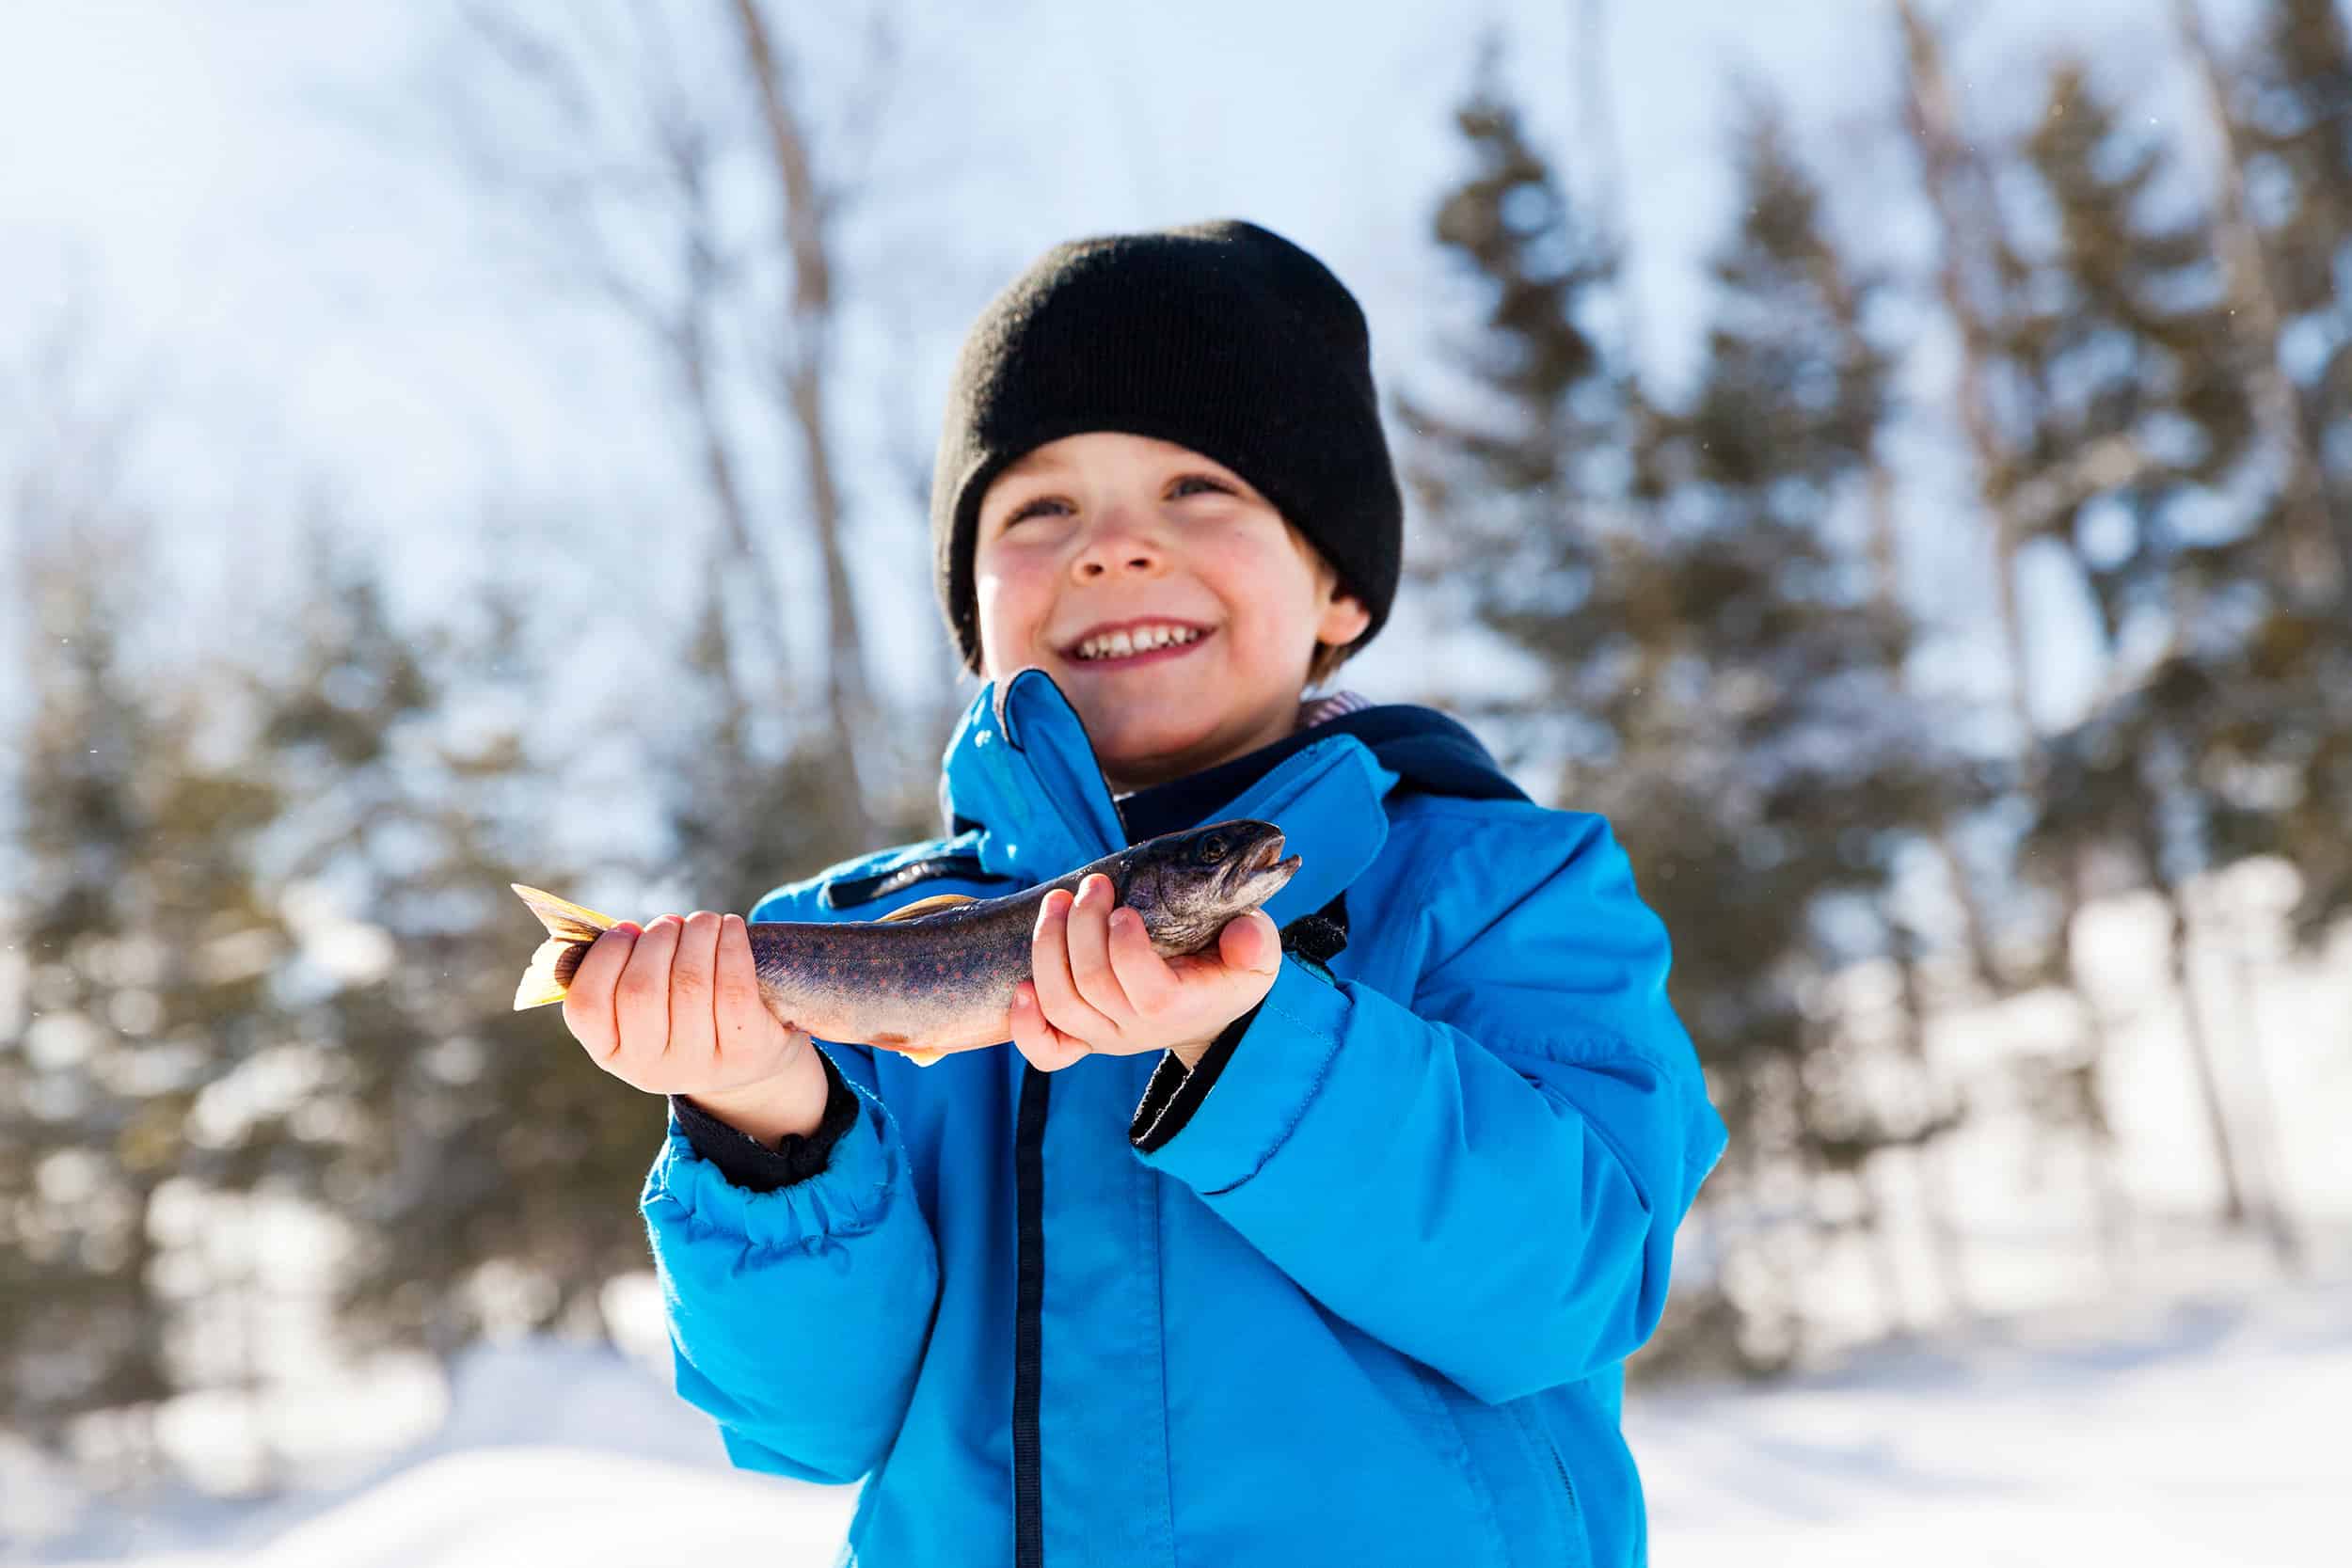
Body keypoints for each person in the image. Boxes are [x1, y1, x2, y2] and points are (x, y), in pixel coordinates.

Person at [559, 218, 1727, 1568]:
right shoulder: (846, 944)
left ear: (1337, 586)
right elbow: (806, 1424)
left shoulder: (1507, 884)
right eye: (1041, 509)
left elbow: (1569, 1282)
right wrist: (764, 1121)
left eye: (1197, 488)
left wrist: (1254, 1044)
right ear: (971, 607)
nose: (1114, 549)